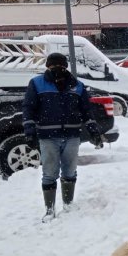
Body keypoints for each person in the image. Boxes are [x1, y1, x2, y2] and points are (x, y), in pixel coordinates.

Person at [23, 52, 102, 223]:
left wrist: (94, 130)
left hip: (72, 136)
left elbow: (86, 111)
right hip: (47, 136)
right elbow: (28, 108)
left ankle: (68, 204)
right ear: (47, 66)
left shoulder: (77, 86)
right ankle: (49, 209)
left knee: (70, 171)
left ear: (66, 66)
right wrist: (29, 131)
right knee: (49, 173)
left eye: (61, 65)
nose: (57, 69)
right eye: (53, 66)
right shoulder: (37, 83)